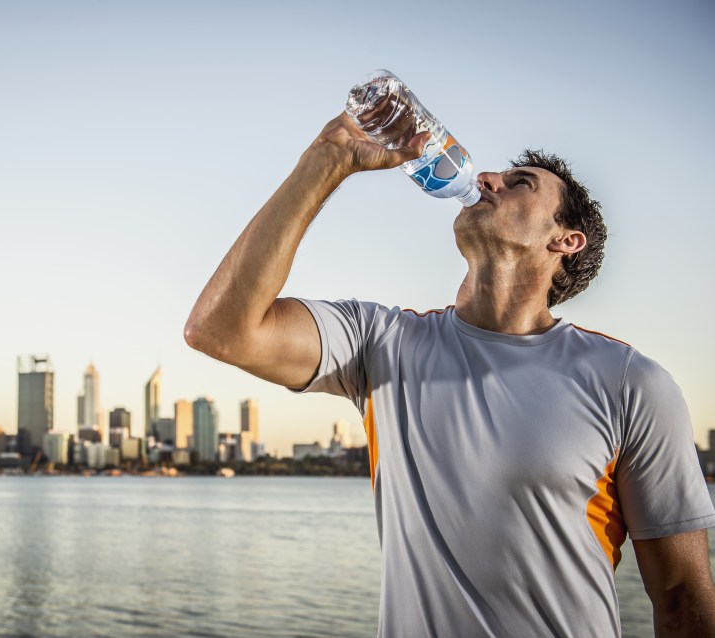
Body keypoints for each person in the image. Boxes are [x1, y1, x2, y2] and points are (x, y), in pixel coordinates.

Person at [184, 112, 715, 637]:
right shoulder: (381, 342)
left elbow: (683, 599)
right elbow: (219, 329)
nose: (486, 179)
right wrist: (326, 160)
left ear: (564, 240)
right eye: (497, 175)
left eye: (519, 183)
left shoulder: (628, 382)